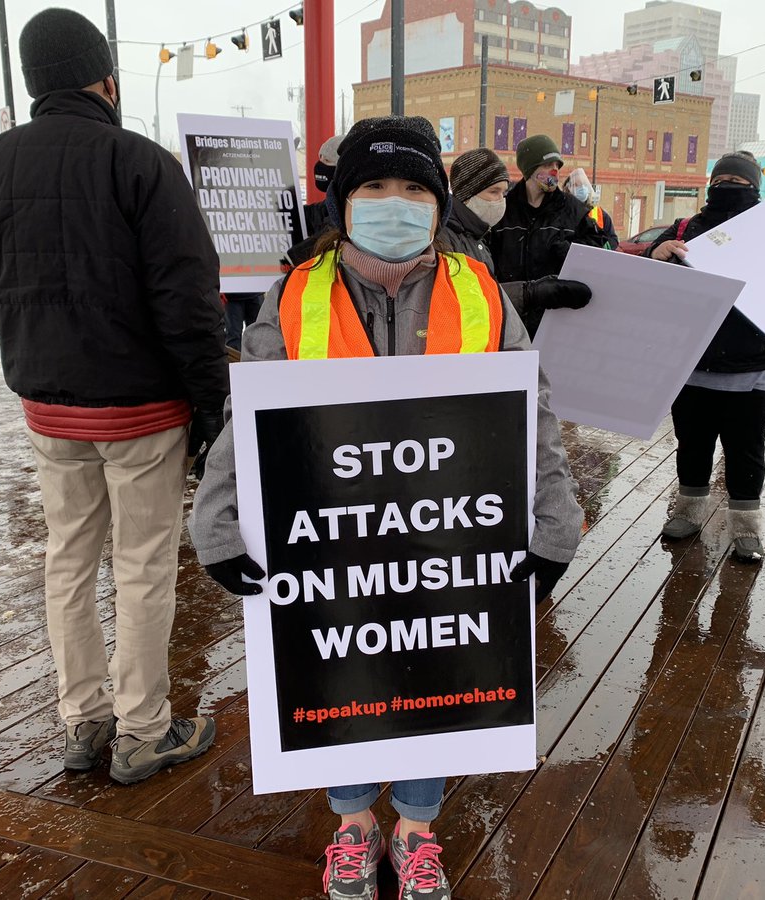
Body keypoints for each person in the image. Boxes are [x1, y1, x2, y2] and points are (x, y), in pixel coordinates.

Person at [189, 115, 584, 900]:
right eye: (374, 186)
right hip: (332, 539)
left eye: (413, 188)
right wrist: (219, 520)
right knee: (339, 671)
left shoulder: (481, 294)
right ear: (342, 200)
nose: (394, 202)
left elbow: (530, 413)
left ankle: (416, 825)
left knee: (433, 671)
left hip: (448, 540)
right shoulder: (294, 296)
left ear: (439, 204)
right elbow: (252, 415)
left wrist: (554, 524)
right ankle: (351, 822)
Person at [0, 8, 228, 784]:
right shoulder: (141, 163)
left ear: (34, 82)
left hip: (48, 408)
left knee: (67, 558)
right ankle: (143, 730)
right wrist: (212, 404)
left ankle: (82, 721)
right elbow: (188, 303)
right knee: (140, 565)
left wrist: (30, 327)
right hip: (142, 410)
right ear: (106, 79)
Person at [646, 152, 765, 562]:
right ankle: (688, 511)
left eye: (738, 181)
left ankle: (745, 529)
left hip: (755, 364)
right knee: (693, 444)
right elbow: (647, 280)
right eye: (721, 177)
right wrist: (656, 254)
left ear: (755, 187)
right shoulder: (687, 228)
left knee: (746, 452)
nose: (728, 185)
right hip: (692, 362)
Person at [487, 134, 599, 337]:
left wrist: (572, 250)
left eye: (557, 164)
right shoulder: (503, 209)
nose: (554, 171)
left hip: (559, 322)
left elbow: (601, 252)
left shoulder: (573, 210)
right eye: (547, 164)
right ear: (530, 169)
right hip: (510, 321)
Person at [443, 146, 510, 269]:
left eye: (504, 193)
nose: (501, 200)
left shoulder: (475, 236)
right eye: (494, 192)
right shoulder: (446, 239)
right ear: (467, 194)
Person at [288, 134, 346, 267]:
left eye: (327, 160)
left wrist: (287, 259)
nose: (320, 164)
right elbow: (304, 215)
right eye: (320, 158)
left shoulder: (348, 208)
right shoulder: (328, 206)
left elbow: (327, 239)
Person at [562, 167, 618, 250]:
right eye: (576, 185)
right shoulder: (561, 213)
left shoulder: (599, 214)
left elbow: (613, 239)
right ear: (567, 189)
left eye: (584, 184)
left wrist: (606, 245)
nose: (582, 188)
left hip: (594, 259)